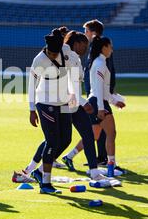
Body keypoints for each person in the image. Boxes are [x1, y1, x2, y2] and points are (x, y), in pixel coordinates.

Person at [14, 31, 108, 183]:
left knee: (81, 134)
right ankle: (33, 170)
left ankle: (93, 171)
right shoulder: (61, 53)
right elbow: (69, 84)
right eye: (84, 45)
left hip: (69, 99)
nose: (86, 49)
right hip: (67, 100)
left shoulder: (72, 56)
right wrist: (83, 103)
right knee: (56, 138)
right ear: (76, 43)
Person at [27, 28, 74, 194]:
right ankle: (45, 183)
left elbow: (68, 42)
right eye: (51, 53)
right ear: (46, 49)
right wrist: (32, 110)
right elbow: (31, 85)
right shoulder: (39, 60)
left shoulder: (64, 50)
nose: (54, 56)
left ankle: (38, 172)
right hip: (45, 102)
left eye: (56, 53)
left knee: (66, 139)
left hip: (63, 102)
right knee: (52, 140)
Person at [87, 36, 124, 176]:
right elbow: (98, 89)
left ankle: (70, 156)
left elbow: (103, 89)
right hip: (98, 102)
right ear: (104, 47)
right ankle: (111, 167)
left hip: (98, 101)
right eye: (110, 46)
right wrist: (101, 108)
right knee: (111, 133)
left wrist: (115, 102)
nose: (112, 50)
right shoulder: (100, 64)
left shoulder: (99, 63)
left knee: (93, 136)